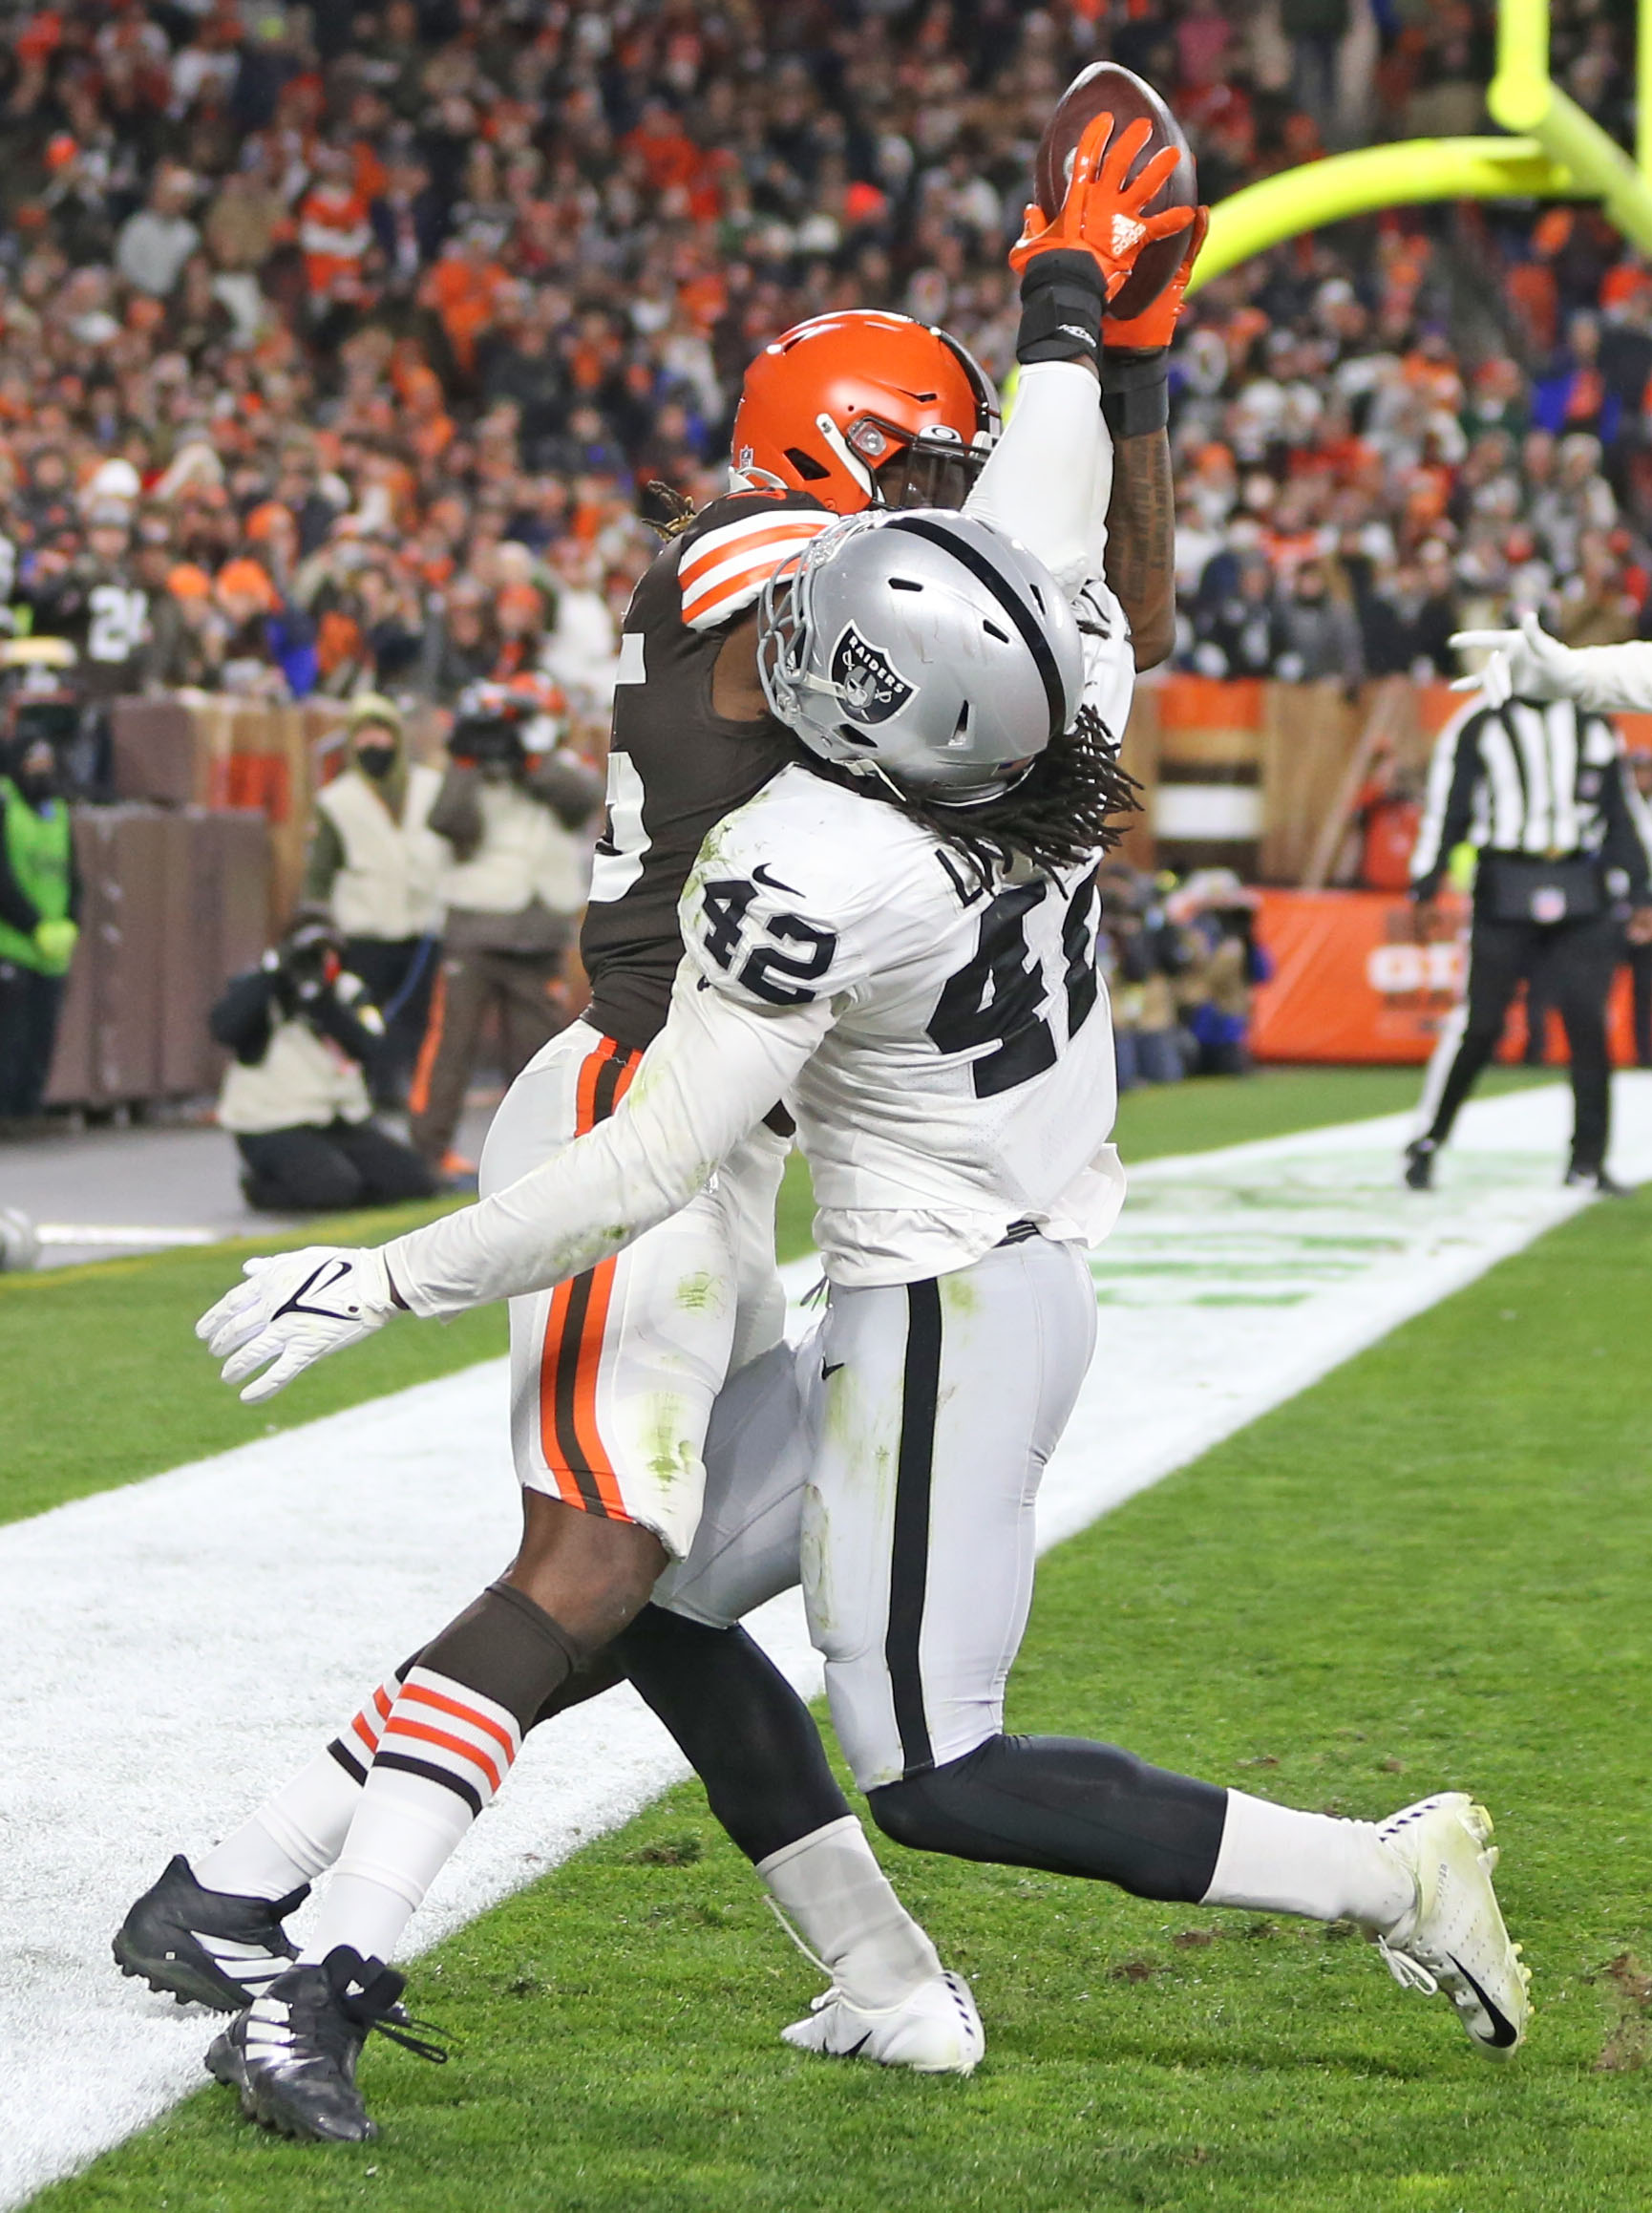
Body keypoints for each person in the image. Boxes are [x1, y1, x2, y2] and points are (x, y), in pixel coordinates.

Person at [116, 119, 1202, 2139]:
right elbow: (1020, 590)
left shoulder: (844, 588)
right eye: (927, 469)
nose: (956, 507)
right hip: (637, 1099)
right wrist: (1063, 324)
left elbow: (1075, 623)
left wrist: (1127, 375)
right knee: (603, 1557)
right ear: (854, 468)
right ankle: (314, 1971)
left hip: (711, 1124)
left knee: (640, 1585)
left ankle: (249, 1886)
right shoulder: (742, 562)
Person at [197, 509, 1529, 2142]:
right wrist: (1099, 336)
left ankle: (1384, 1873)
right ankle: (824, 1976)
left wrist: (391, 1278)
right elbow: (1091, 521)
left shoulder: (820, 860)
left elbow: (651, 1159)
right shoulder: (1071, 695)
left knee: (941, 1774)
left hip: (949, 1302)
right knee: (656, 1601)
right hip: (987, 1253)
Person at [1403, 666, 1652, 1194]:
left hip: (1581, 885)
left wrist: (1642, 890)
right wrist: (1426, 884)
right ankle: (1428, 1140)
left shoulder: (1592, 724)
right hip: (1504, 884)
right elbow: (1448, 808)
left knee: (1587, 1023)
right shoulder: (1479, 723)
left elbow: (1620, 811)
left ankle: (1588, 1158)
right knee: (1483, 1024)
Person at [407, 688, 604, 1177]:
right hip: (476, 924)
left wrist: (528, 760)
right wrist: (466, 757)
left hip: (538, 931)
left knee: (540, 1056)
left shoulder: (564, 766)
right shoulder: (471, 768)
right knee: (450, 1049)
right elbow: (447, 821)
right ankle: (427, 1155)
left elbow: (581, 802)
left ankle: (536, 1157)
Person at [212, 913, 436, 1213]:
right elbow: (224, 1028)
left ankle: (346, 1181)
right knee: (330, 1191)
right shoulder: (259, 987)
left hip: (339, 1118)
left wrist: (321, 999)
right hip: (272, 1122)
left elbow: (370, 1047)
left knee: (414, 1182)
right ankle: (260, 1187)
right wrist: (276, 974)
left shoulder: (347, 991)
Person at [303, 695, 445, 1106]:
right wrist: (316, 925)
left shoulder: (429, 786)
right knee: (366, 1012)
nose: (373, 743)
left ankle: (411, 1088)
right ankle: (374, 1088)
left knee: (416, 1016)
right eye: (364, 734)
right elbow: (320, 871)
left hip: (422, 925)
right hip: (365, 926)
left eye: (380, 732)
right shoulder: (336, 799)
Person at [0, 714, 78, 1121]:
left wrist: (69, 922)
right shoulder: (5, 803)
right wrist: (34, 925)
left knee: (39, 1040)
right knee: (8, 1042)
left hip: (51, 951)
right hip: (11, 944)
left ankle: (27, 1115)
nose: (41, 772)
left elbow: (73, 876)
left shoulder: (58, 811)